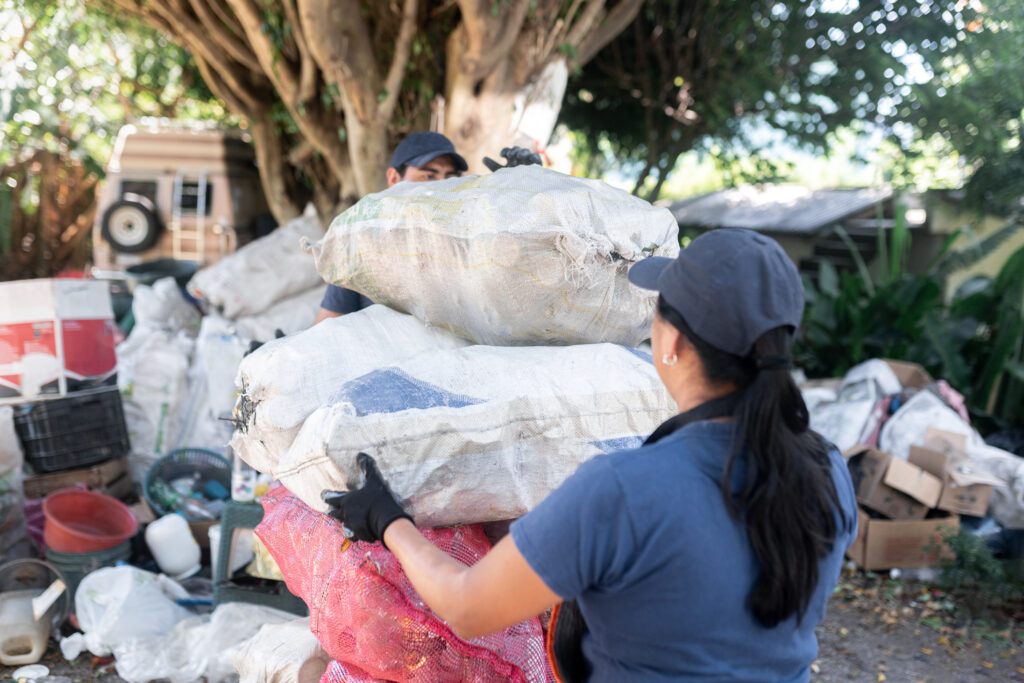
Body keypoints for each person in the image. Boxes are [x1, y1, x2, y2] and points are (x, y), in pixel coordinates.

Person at [324, 228, 857, 681]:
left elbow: (467, 606)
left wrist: (389, 521)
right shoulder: (827, 470)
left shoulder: (625, 490)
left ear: (671, 342)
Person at [313, 131, 468, 324]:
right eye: (429, 176)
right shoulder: (361, 244)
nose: (442, 188)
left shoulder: (464, 245)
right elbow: (326, 328)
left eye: (451, 178)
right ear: (394, 178)